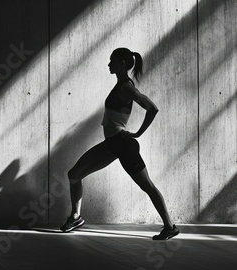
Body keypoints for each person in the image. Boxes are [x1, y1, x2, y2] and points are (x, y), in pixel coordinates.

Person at [60, 48, 179, 240]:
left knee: (147, 186)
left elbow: (152, 108)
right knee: (74, 175)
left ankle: (169, 226)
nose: (109, 64)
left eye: (112, 61)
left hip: (123, 146)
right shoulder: (120, 85)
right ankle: (75, 217)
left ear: (122, 63)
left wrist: (138, 133)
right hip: (111, 144)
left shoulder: (126, 87)